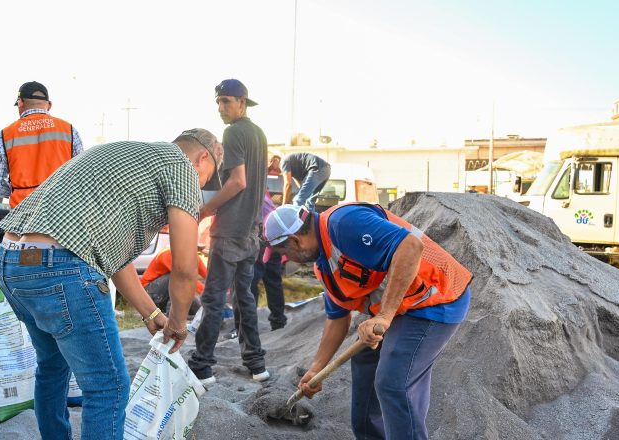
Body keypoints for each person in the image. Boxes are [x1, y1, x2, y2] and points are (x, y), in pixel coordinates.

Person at [0, 128, 223, 439]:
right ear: (202, 158)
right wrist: (179, 324)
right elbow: (184, 266)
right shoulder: (181, 166)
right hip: (61, 264)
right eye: (207, 178)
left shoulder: (130, 157)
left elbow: (112, 257)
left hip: (12, 261)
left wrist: (152, 313)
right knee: (109, 386)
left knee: (52, 367)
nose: (201, 186)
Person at [263, 202, 473, 439]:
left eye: (283, 254)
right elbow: (337, 318)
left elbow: (410, 247)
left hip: (437, 297)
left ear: (294, 240)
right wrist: (316, 369)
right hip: (403, 306)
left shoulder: (343, 223)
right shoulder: (324, 264)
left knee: (393, 382)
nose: (286, 259)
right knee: (365, 363)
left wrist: (384, 315)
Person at [188, 79, 270, 385]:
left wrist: (204, 210)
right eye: (218, 102)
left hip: (232, 230)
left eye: (226, 101)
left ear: (242, 102)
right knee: (244, 298)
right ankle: (257, 364)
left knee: (213, 299)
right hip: (251, 230)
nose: (222, 108)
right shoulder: (258, 133)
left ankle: (201, 365)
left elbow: (238, 182)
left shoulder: (233, 132)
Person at [0, 81, 83, 208]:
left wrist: (17, 191)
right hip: (61, 210)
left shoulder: (4, 135)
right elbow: (82, 174)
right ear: (49, 105)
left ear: (20, 103)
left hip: (21, 212)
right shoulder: (69, 130)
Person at [249, 188, 287, 330]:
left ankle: (248, 324)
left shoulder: (247, 189)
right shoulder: (262, 192)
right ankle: (278, 321)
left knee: (249, 281)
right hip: (274, 235)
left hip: (262, 237)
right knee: (273, 281)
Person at [140, 245, 208, 316]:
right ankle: (171, 316)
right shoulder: (168, 254)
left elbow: (208, 275)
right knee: (177, 277)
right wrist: (205, 291)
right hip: (149, 292)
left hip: (166, 292)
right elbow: (184, 277)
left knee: (198, 309)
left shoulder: (194, 257)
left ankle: (185, 314)